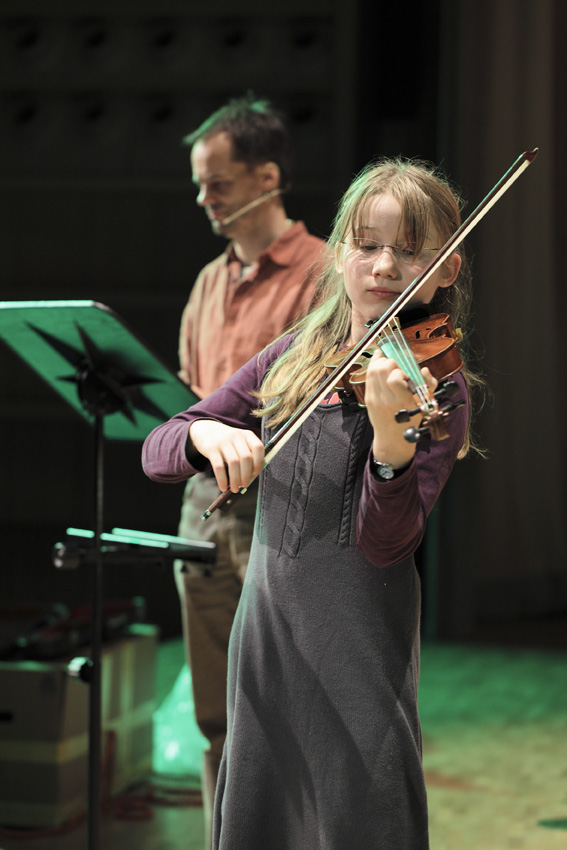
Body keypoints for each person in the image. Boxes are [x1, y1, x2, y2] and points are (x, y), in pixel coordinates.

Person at [143, 157, 480, 849]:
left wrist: (390, 446)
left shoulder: (439, 387)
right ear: (339, 253)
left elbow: (385, 542)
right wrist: (206, 433)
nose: (383, 266)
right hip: (266, 639)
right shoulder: (293, 356)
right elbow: (159, 448)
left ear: (446, 268)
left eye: (408, 250)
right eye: (366, 244)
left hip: (357, 646)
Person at [173, 94, 325, 838]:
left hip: (280, 510)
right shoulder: (208, 280)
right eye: (200, 185)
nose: (204, 198)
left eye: (218, 183)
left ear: (267, 177)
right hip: (201, 510)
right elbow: (192, 397)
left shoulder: (324, 272)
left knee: (289, 712)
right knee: (216, 715)